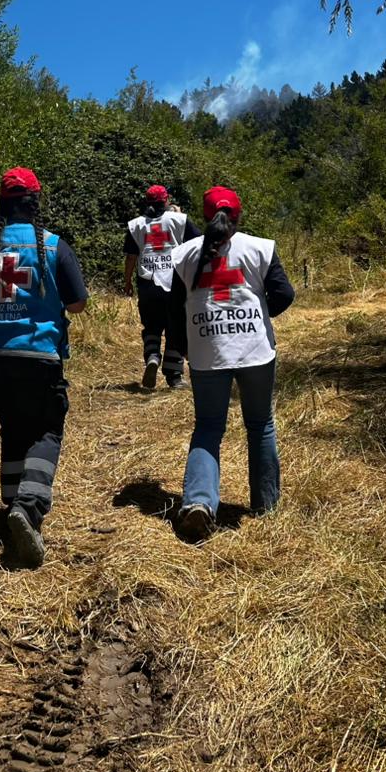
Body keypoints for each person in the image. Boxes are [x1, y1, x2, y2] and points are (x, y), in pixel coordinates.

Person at [0, 168, 87, 569]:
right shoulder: (53, 245)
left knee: (12, 426)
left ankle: (10, 506)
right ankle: (27, 508)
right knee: (47, 426)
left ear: (1, 203)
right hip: (40, 355)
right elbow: (78, 303)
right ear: (35, 203)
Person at [169, 186, 295, 541]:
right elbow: (285, 294)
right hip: (255, 350)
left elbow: (174, 314)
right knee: (260, 425)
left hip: (207, 353)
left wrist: (184, 349)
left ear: (205, 216)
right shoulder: (261, 248)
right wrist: (257, 315)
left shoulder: (184, 255)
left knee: (208, 428)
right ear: (239, 214)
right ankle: (265, 506)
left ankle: (198, 503)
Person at [124, 185, 200, 390]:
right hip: (175, 282)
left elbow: (131, 256)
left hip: (148, 283)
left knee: (151, 326)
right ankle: (174, 376)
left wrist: (127, 281)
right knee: (176, 329)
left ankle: (152, 357)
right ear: (166, 201)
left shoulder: (135, 225)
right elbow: (198, 244)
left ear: (147, 202)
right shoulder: (180, 220)